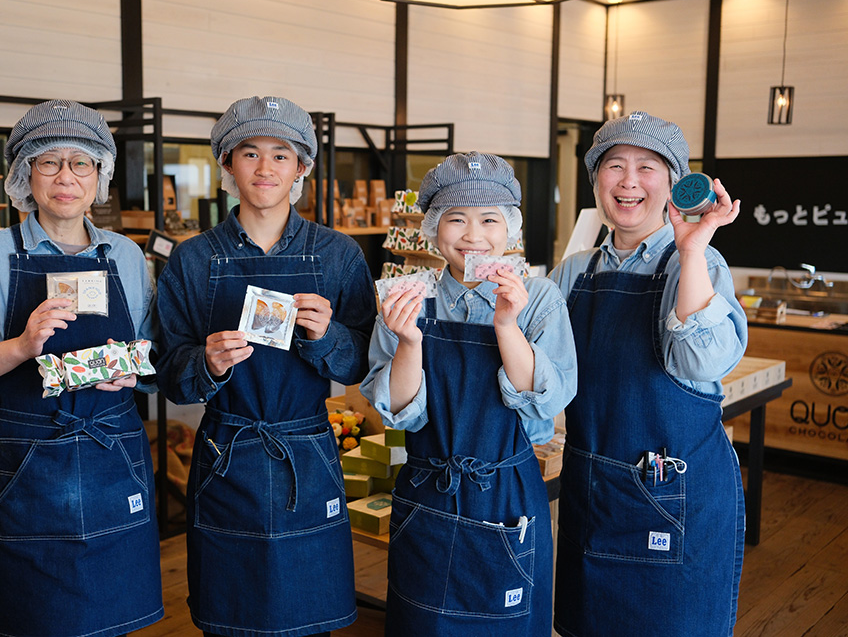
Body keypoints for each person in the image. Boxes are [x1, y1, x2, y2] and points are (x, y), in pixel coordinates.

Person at [0, 100, 163, 637]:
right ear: (25, 173)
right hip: (26, 460)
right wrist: (23, 346)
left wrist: (134, 370)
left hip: (113, 449)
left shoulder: (125, 255)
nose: (66, 177)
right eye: (49, 161)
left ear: (100, 175)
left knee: (112, 616)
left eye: (82, 163)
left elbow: (152, 350)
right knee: (33, 619)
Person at [155, 95, 377, 637]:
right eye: (249, 153)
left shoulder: (338, 255)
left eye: (281, 154)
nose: (265, 168)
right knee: (229, 616)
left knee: (310, 618)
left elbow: (365, 363)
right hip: (227, 452)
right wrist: (205, 362)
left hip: (308, 450)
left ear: (303, 167)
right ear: (227, 165)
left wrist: (329, 336)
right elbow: (167, 370)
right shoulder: (193, 258)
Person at [360, 152, 577, 636]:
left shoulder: (537, 297)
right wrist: (410, 341)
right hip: (427, 491)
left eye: (489, 220)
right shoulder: (407, 298)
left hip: (506, 491)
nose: (473, 235)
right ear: (434, 230)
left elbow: (547, 401)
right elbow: (397, 413)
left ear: (511, 231)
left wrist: (507, 324)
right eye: (456, 219)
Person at [548, 111, 747, 636]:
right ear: (596, 182)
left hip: (671, 494)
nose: (629, 181)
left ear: (674, 183)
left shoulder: (699, 263)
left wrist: (693, 247)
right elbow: (538, 370)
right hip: (594, 487)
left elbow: (702, 362)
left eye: (647, 167)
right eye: (614, 166)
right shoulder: (573, 271)